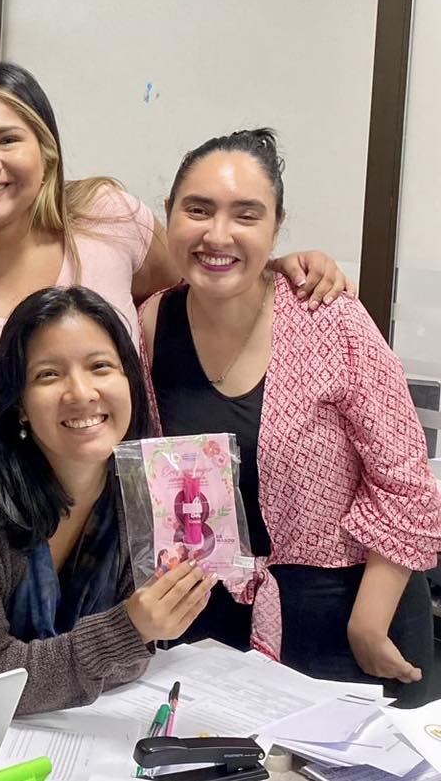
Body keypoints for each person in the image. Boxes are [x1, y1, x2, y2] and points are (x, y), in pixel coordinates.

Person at [0, 62, 351, 452]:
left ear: (46, 152)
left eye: (8, 139)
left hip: (125, 508)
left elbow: (199, 277)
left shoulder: (106, 217)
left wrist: (277, 268)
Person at [140, 128, 441, 704]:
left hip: (350, 615)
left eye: (246, 215)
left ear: (276, 228)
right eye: (197, 210)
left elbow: (407, 484)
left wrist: (368, 624)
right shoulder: (152, 323)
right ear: (170, 216)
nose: (217, 234)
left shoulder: (330, 318)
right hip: (213, 618)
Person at [0, 286, 216, 714]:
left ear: (130, 380)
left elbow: (138, 657)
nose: (81, 392)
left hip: (52, 720)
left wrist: (15, 669)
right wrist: (125, 628)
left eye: (100, 366)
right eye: (49, 374)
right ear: (20, 406)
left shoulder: (148, 488)